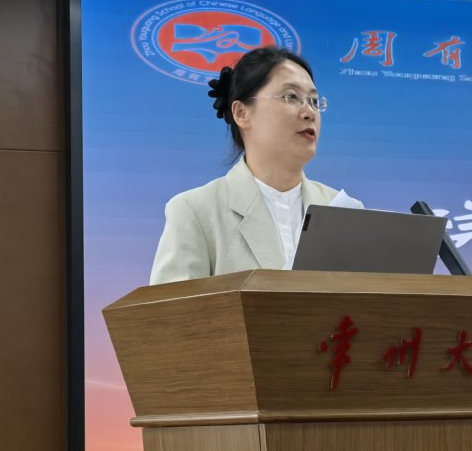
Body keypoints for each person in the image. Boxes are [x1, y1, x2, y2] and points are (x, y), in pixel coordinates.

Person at [149, 46, 362, 284]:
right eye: (292, 97)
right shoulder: (195, 211)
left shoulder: (345, 212)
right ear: (242, 113)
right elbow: (172, 308)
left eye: (314, 101)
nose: (309, 112)